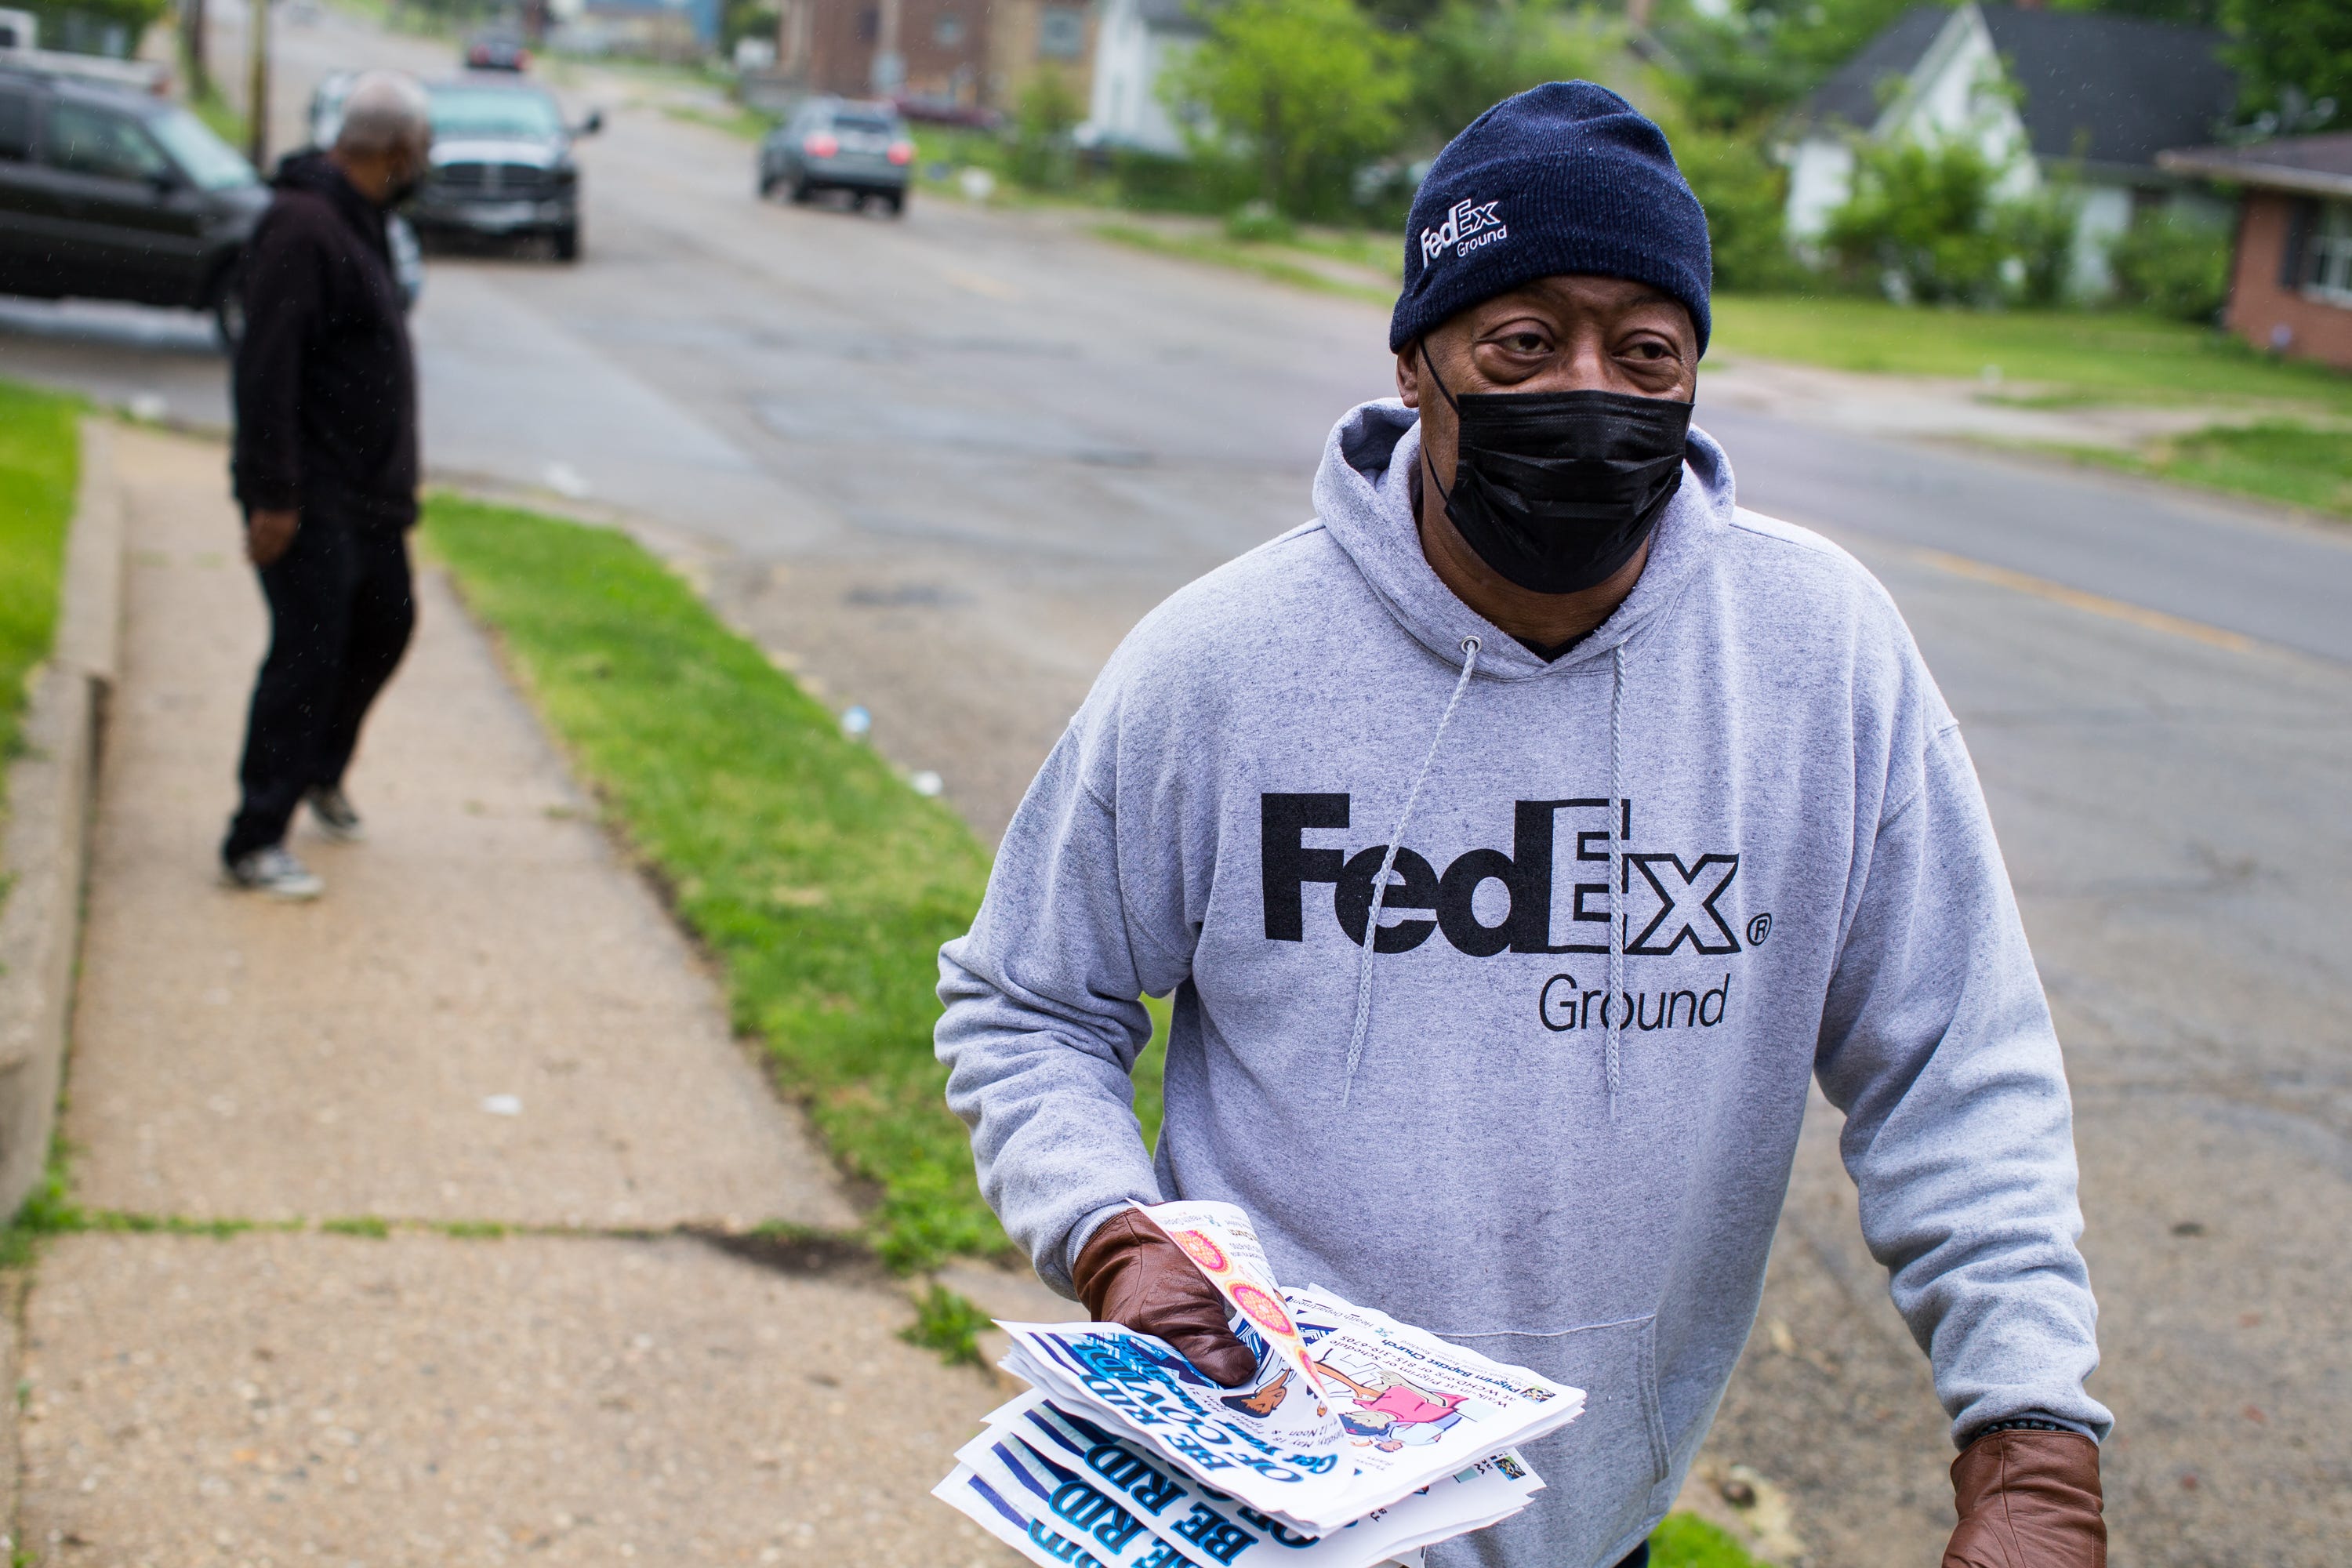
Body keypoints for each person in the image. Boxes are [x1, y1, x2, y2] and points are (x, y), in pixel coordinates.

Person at [936, 83, 2109, 1568]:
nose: (1589, 391)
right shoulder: (1221, 664)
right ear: (1418, 362)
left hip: (1593, 1511)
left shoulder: (1821, 659)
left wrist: (2032, 1440)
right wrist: (1111, 1233)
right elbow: (1029, 999)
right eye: (1523, 342)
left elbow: (1959, 1071)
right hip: (1255, 1503)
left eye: (1646, 351)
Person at [222, 71, 432, 898]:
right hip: (307, 488)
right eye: (421, 151)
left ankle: (319, 767)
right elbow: (265, 368)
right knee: (307, 652)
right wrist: (273, 494)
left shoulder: (361, 221)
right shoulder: (302, 227)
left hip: (367, 493)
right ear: (396, 150)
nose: (425, 165)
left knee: (386, 621)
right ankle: (254, 836)